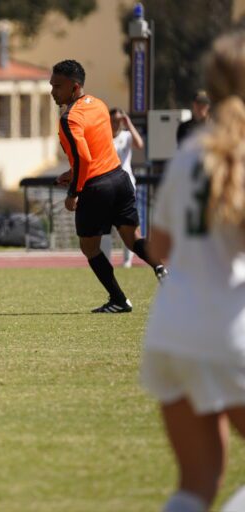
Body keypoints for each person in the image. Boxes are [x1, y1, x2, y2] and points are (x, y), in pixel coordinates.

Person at [141, 32, 245, 512]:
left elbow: (158, 246)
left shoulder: (191, 151)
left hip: (172, 329)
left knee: (194, 486)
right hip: (233, 327)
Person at [51, 60, 166, 313]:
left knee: (88, 247)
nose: (52, 91)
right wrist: (72, 174)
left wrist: (74, 193)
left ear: (75, 86)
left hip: (96, 187)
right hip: (120, 179)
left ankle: (119, 300)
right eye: (52, 85)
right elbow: (97, 151)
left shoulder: (69, 119)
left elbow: (85, 158)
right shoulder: (99, 104)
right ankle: (161, 267)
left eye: (58, 86)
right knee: (132, 238)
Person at [99, 107, 145, 268]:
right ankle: (107, 262)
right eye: (113, 120)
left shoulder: (126, 136)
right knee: (105, 225)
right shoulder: (104, 137)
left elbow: (140, 144)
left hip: (126, 185)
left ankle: (127, 262)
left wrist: (129, 123)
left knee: (128, 225)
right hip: (107, 185)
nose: (116, 123)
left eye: (119, 120)